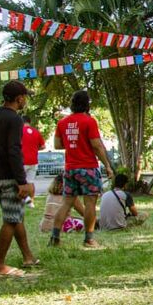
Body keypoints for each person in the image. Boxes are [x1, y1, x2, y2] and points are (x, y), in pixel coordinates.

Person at [0, 80, 38, 276]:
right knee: (11, 219)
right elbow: (14, 150)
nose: (25, 101)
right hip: (9, 177)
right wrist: (22, 181)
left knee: (16, 216)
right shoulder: (15, 119)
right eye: (24, 97)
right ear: (19, 98)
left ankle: (28, 257)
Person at [51, 90, 115, 249]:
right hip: (88, 168)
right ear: (87, 104)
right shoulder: (89, 121)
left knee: (66, 204)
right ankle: (89, 239)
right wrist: (107, 165)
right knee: (90, 203)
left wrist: (73, 142)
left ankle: (55, 238)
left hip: (70, 169)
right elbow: (96, 145)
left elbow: (57, 145)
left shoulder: (62, 123)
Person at [20, 115, 45, 205]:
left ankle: (24, 198)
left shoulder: (19, 131)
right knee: (30, 181)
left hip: (22, 160)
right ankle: (32, 202)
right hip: (33, 160)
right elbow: (43, 146)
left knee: (18, 181)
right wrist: (34, 149)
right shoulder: (36, 132)